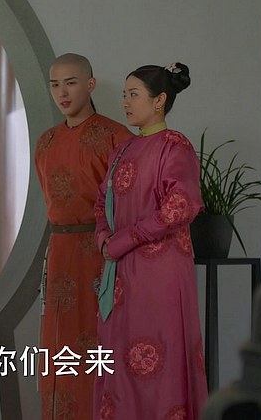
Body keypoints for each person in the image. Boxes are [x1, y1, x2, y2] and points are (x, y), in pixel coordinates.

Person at [93, 63, 208, 419]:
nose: (125, 103)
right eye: (124, 95)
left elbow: (180, 206)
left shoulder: (175, 146)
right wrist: (103, 239)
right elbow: (101, 201)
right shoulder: (123, 150)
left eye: (134, 94)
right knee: (118, 358)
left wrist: (123, 240)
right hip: (120, 271)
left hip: (160, 274)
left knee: (159, 358)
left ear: (159, 100)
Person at [35, 53, 133, 419]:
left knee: (99, 343)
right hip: (60, 249)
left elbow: (130, 204)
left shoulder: (116, 137)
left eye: (71, 83)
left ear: (90, 85)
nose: (62, 92)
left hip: (103, 253)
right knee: (57, 344)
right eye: (55, 85)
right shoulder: (46, 141)